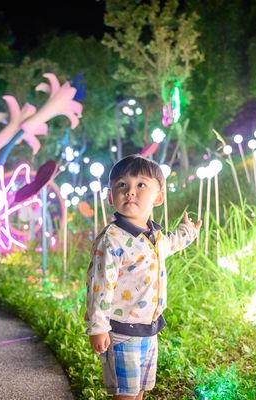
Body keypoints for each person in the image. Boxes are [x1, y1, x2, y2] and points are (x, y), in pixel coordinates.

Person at [85, 154, 201, 400]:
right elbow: (100, 287)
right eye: (122, 185)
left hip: (148, 329)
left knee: (140, 390)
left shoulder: (154, 235)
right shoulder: (112, 240)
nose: (130, 192)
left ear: (158, 197)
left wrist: (188, 232)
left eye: (141, 185)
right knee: (124, 394)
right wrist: (97, 327)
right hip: (121, 331)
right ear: (110, 197)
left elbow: (170, 244)